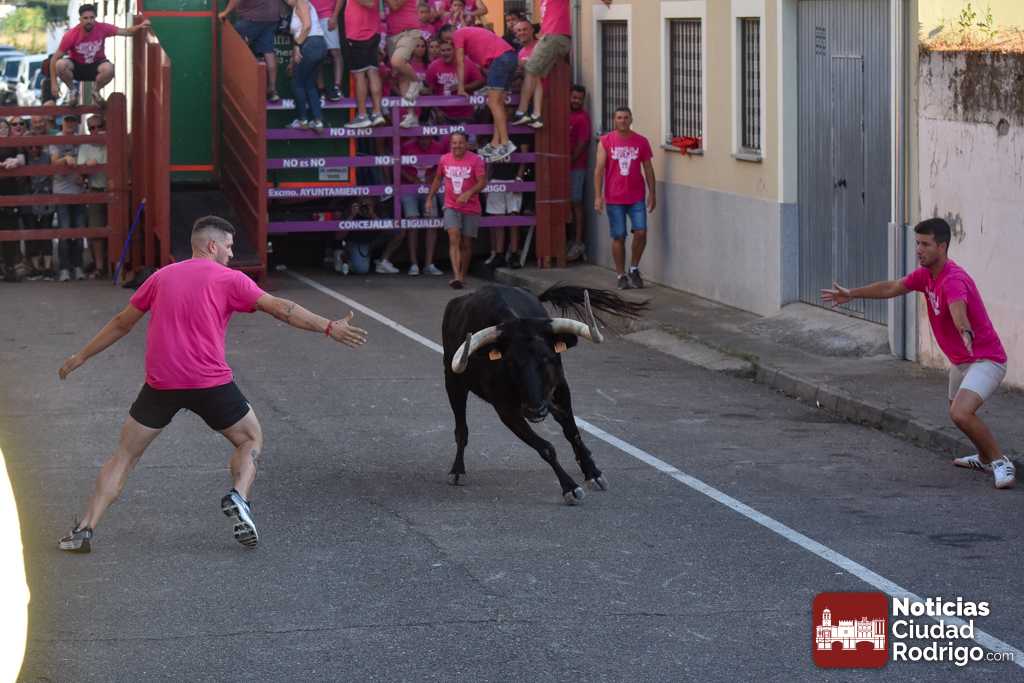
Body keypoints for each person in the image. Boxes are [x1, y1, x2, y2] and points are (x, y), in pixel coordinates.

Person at [56, 216, 369, 554]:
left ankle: (84, 530)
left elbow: (122, 323)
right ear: (211, 245)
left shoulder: (161, 277)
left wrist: (81, 356)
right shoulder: (230, 279)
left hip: (162, 385)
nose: (232, 254)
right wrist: (328, 327)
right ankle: (239, 497)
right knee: (250, 439)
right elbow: (283, 309)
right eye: (229, 247)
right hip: (211, 384)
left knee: (125, 456)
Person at [821, 218, 1015, 490]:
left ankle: (1000, 461)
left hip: (986, 359)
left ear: (942, 246)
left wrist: (964, 330)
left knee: (961, 413)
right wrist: (852, 293)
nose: (919, 250)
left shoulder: (953, 279)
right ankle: (983, 458)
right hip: (962, 362)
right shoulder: (925, 275)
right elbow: (891, 287)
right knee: (958, 413)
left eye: (925, 244)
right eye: (917, 243)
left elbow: (958, 307)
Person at [593, 106, 655, 290]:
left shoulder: (641, 141)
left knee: (641, 232)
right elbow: (599, 170)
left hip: (636, 196)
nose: (623, 120)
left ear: (631, 119)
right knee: (619, 236)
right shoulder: (606, 141)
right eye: (619, 117)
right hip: (614, 197)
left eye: (626, 117)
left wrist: (653, 193)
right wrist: (598, 196)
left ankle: (634, 268)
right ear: (614, 120)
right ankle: (621, 275)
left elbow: (648, 168)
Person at [438, 24, 518, 162]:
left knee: (493, 103)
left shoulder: (458, 34)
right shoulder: (469, 34)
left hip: (499, 60)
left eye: (448, 38)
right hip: (509, 57)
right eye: (446, 41)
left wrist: (461, 88)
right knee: (499, 105)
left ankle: (505, 143)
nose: (450, 42)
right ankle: (495, 143)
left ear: (452, 31)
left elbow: (460, 63)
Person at [51, 4, 150, 106]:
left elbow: (126, 32)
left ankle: (95, 91)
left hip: (96, 65)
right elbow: (54, 59)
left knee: (109, 69)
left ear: (95, 18)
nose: (89, 21)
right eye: (85, 18)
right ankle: (73, 91)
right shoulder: (71, 35)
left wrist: (140, 26)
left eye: (92, 18)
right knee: (60, 64)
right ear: (80, 19)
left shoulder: (102, 28)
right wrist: (54, 83)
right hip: (77, 66)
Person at [425, 131, 485, 289]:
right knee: (454, 238)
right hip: (451, 205)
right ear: (450, 144)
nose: (457, 146)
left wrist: (468, 193)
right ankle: (457, 276)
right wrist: (430, 198)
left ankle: (463, 275)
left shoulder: (476, 160)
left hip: (471, 206)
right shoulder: (444, 159)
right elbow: (438, 178)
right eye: (454, 143)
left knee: (466, 243)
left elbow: (482, 182)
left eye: (460, 143)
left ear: (467, 144)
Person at [511, 0, 571, 129]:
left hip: (554, 36)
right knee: (535, 74)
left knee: (530, 69)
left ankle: (521, 112)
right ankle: (536, 115)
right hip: (552, 36)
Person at [401, 135, 447, 276]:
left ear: (431, 137)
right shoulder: (407, 146)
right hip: (409, 188)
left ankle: (429, 264)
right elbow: (398, 165)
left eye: (427, 138)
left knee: (432, 222)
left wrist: (430, 178)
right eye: (421, 138)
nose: (424, 141)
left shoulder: (438, 147)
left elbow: (442, 167)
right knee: (412, 222)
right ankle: (413, 264)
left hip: (429, 188)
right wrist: (412, 179)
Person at [219, 0, 283, 102]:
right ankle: (273, 90)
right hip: (271, 18)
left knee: (234, 44)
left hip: (253, 17)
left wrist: (225, 12)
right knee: (268, 52)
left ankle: (241, 89)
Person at [50, 113, 87, 282]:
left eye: (73, 121)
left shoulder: (81, 140)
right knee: (65, 231)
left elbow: (87, 162)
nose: (70, 124)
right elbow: (53, 162)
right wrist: (66, 158)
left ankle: (78, 266)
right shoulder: (56, 140)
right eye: (68, 121)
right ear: (62, 123)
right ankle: (64, 268)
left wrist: (83, 176)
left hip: (78, 191)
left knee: (79, 231)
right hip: (62, 192)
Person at [344, 0, 387, 128]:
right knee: (372, 72)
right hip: (371, 31)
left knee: (360, 75)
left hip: (359, 33)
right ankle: (377, 113)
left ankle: (362, 115)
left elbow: (369, 3)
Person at [285, 0, 328, 130]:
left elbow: (307, 26)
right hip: (316, 45)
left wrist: (297, 45)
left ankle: (302, 120)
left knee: (297, 82)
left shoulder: (301, 2)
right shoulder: (298, 6)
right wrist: (293, 57)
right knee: (309, 83)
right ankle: (318, 121)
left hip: (310, 44)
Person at [78, 114, 108, 278]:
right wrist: (87, 169)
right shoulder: (85, 146)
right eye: (92, 128)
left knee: (117, 228)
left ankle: (116, 265)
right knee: (96, 230)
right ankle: (100, 266)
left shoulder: (114, 143)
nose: (96, 130)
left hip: (114, 189)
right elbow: (79, 175)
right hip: (95, 190)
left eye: (99, 126)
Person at [425, 38, 483, 123]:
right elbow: (430, 92)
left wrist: (462, 87)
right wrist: (437, 111)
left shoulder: (467, 63)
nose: (445, 53)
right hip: (443, 114)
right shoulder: (433, 66)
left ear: (455, 51)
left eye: (449, 50)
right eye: (443, 50)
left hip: (465, 113)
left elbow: (480, 82)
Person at [385, 0, 426, 108]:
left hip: (408, 31)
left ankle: (417, 81)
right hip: (392, 33)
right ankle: (410, 114)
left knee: (397, 62)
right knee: (402, 75)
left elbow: (395, 5)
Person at [567, 84, 591, 261]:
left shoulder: (583, 118)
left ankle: (578, 242)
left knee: (576, 202)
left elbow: (583, 143)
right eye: (574, 97)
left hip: (576, 168)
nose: (576, 101)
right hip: (563, 168)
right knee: (566, 204)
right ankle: (569, 240)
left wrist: (569, 161)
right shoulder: (563, 114)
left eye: (579, 99)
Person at [0, 118, 26, 282]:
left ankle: (10, 267)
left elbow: (22, 158)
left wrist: (16, 161)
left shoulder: (14, 143)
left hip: (10, 190)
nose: (2, 130)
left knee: (10, 228)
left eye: (5, 127)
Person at [309, 0, 344, 101]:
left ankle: (337, 87)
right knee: (317, 55)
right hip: (311, 18)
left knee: (335, 52)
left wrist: (335, 16)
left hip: (328, 16)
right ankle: (321, 89)